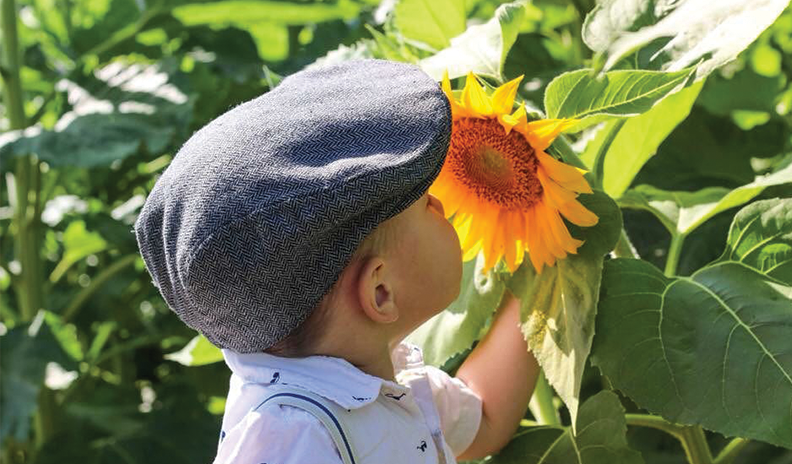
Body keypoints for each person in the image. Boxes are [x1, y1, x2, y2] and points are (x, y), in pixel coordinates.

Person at [133, 59, 540, 464]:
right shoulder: (295, 436)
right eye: (423, 205)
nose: (439, 202)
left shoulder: (378, 385)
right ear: (380, 292)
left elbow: (484, 420)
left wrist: (536, 280)